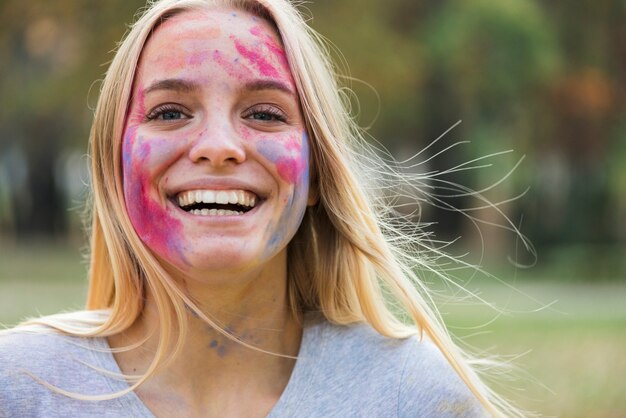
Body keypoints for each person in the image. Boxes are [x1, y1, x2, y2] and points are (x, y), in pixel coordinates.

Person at [0, 0, 523, 416]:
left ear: (317, 172)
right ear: (115, 167)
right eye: (170, 111)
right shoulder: (19, 386)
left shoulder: (413, 396)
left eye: (266, 114)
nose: (219, 145)